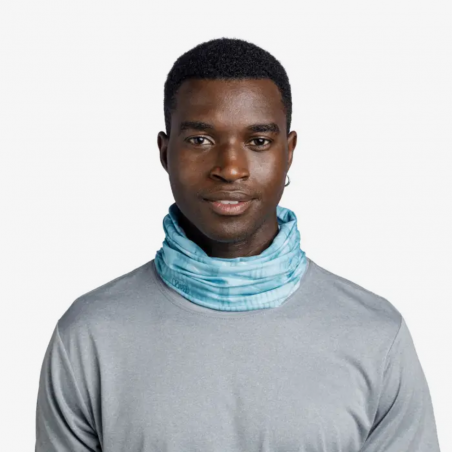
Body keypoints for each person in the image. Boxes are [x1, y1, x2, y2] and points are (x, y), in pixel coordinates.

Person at [35, 38, 441, 452]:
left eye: (258, 141)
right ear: (165, 152)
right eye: (200, 140)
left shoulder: (374, 333)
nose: (230, 169)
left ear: (289, 152)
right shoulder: (89, 335)